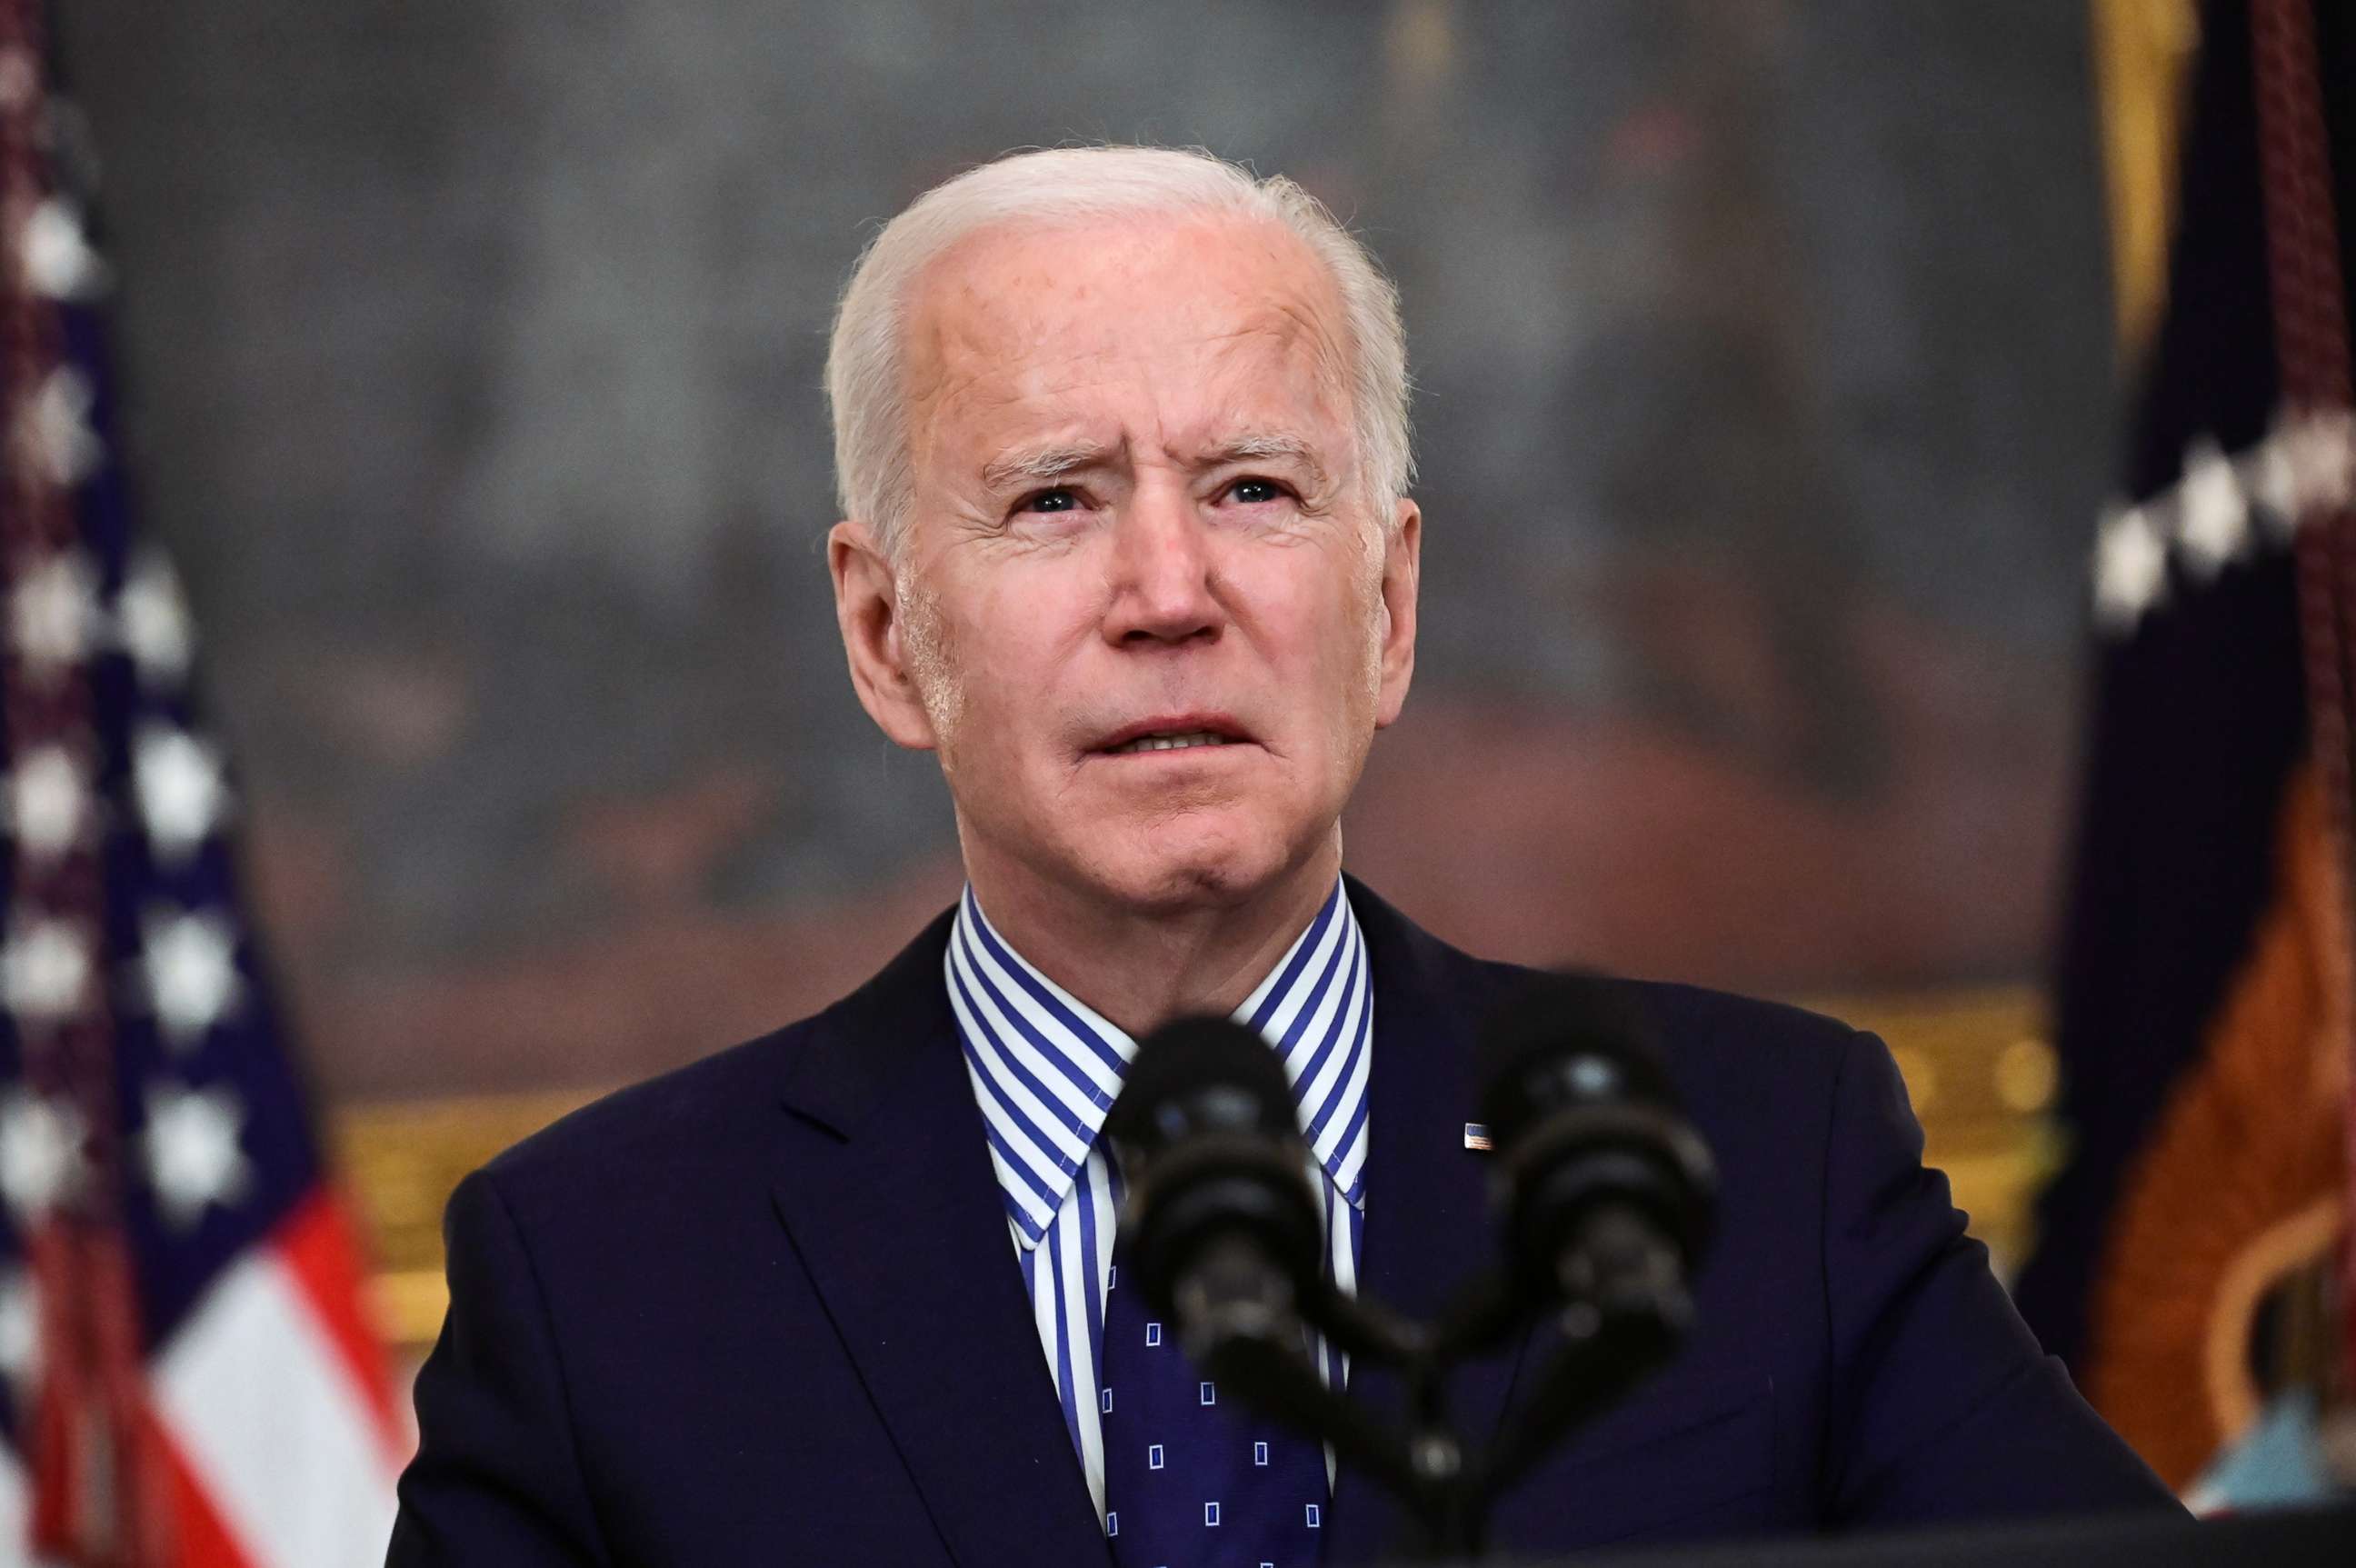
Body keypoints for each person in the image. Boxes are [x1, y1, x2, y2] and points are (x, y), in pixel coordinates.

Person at [386, 145, 2177, 1566]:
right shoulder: (604, 1272)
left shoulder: (1771, 1165)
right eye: (1055, 499)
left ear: (1387, 607)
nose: (1171, 594)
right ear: (883, 634)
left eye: (1252, 488)